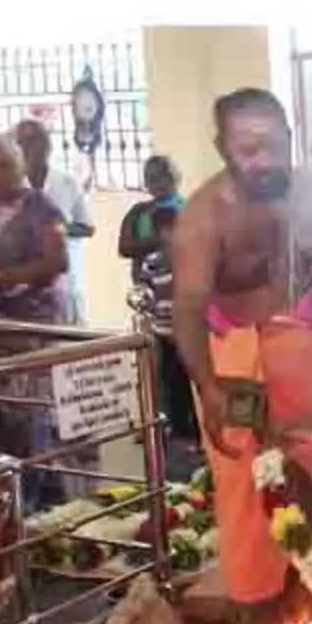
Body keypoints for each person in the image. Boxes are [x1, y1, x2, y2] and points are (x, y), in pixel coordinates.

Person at [169, 88, 312, 624]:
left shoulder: (306, 192)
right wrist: (211, 390)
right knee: (246, 485)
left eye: (276, 144)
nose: (266, 160)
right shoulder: (204, 215)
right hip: (232, 354)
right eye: (249, 148)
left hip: (300, 339)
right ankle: (256, 618)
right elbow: (187, 308)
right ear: (223, 148)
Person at [0, 134, 74, 512]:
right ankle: (15, 501)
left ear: (16, 167)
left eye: (2, 165)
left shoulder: (40, 207)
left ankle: (39, 503)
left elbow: (57, 261)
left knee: (30, 416)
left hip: (29, 325)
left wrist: (4, 277)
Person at [118, 156, 200, 476]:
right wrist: (158, 243)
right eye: (151, 177)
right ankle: (168, 427)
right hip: (154, 308)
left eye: (163, 175)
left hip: (184, 314)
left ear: (175, 177)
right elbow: (125, 246)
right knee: (161, 374)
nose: (158, 182)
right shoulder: (140, 212)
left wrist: (159, 241)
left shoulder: (188, 207)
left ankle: (191, 433)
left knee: (187, 374)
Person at [15, 119, 94, 325]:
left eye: (35, 142)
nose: (30, 149)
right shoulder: (11, 187)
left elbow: (87, 227)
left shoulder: (67, 182)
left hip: (66, 281)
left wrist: (57, 230)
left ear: (48, 146)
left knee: (71, 333)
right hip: (25, 285)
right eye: (23, 143)